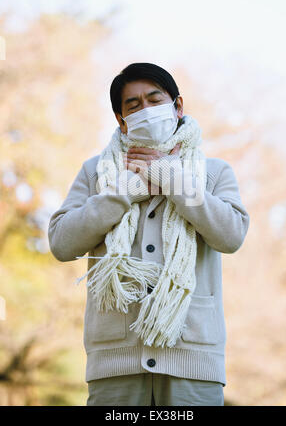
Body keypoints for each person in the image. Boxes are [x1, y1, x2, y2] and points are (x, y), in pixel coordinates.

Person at [48, 62, 250, 406]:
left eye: (155, 100)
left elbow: (230, 236)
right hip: (115, 364)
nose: (146, 110)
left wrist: (173, 179)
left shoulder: (213, 173)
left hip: (193, 360)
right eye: (134, 105)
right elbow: (61, 242)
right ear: (121, 120)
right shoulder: (97, 171)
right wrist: (123, 190)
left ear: (178, 106)